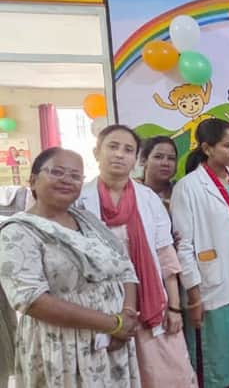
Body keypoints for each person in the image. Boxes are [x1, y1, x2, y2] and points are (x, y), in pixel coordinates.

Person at [0, 147, 141, 387]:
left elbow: (124, 266)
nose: (67, 180)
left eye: (76, 176)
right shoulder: (17, 232)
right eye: (57, 172)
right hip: (62, 346)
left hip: (112, 343)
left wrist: (127, 315)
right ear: (32, 180)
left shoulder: (88, 220)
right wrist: (112, 324)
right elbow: (31, 299)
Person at [78, 125, 196, 388]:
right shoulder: (79, 201)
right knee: (116, 375)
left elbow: (165, 255)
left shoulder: (148, 199)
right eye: (113, 147)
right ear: (97, 152)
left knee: (168, 374)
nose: (120, 154)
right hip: (102, 305)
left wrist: (174, 307)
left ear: (135, 160)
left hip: (151, 301)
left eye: (128, 150)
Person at [171, 118, 229, 387]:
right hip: (210, 285)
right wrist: (194, 297)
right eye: (227, 145)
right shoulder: (188, 187)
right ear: (207, 148)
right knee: (216, 357)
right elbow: (184, 246)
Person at [138, 136, 178, 209]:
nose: (165, 163)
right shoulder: (131, 192)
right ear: (143, 160)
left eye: (171, 158)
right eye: (158, 157)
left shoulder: (181, 193)